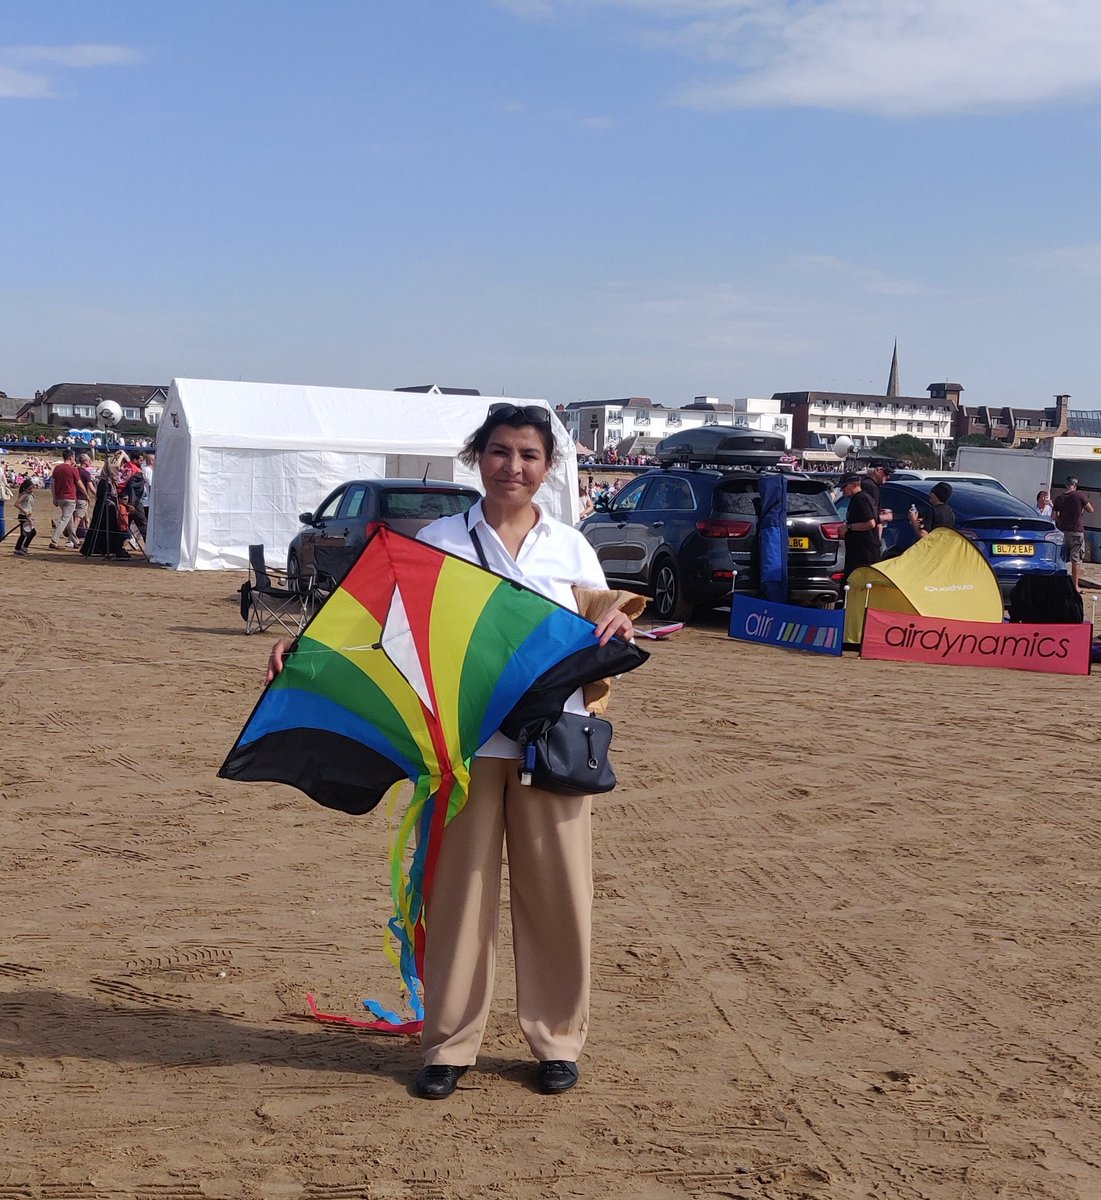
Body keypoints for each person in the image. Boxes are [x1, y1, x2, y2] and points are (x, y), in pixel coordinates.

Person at [266, 403, 634, 1100]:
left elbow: (603, 625)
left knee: (559, 899)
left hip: (551, 746)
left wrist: (616, 621)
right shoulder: (438, 541)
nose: (513, 467)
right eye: (500, 451)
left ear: (548, 467)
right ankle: (448, 1044)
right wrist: (306, 649)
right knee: (455, 899)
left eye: (528, 455)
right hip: (457, 749)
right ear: (478, 457)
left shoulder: (570, 548)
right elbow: (383, 626)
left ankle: (557, 1041)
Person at [1053, 476, 1094, 592]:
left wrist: (1061, 519)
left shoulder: (1059, 498)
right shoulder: (1079, 495)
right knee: (1076, 560)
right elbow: (1091, 510)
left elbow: (1054, 516)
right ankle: (1075, 586)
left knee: (1061, 559)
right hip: (1076, 531)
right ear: (1075, 485)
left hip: (1063, 532)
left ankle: (1059, 585)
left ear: (1066, 485)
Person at [838, 473, 880, 580]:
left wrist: (849, 527)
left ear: (854, 485)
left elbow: (870, 523)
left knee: (855, 582)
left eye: (844, 487)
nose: (842, 490)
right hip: (859, 552)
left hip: (863, 554)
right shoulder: (858, 499)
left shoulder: (860, 499)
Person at [47, 448, 88, 549]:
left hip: (60, 497)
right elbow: (79, 484)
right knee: (65, 519)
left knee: (69, 520)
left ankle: (75, 541)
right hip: (70, 497)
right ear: (71, 457)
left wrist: (54, 497)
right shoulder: (73, 469)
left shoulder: (57, 468)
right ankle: (54, 540)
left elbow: (53, 484)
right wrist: (86, 495)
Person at [12, 478, 36, 556]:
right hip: (23, 516)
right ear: (24, 489)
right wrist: (24, 511)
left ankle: (20, 548)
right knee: (28, 533)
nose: (31, 490)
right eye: (29, 489)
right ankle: (21, 548)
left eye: (32, 488)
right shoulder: (24, 495)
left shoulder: (30, 495)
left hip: (27, 516)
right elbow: (16, 504)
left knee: (27, 533)